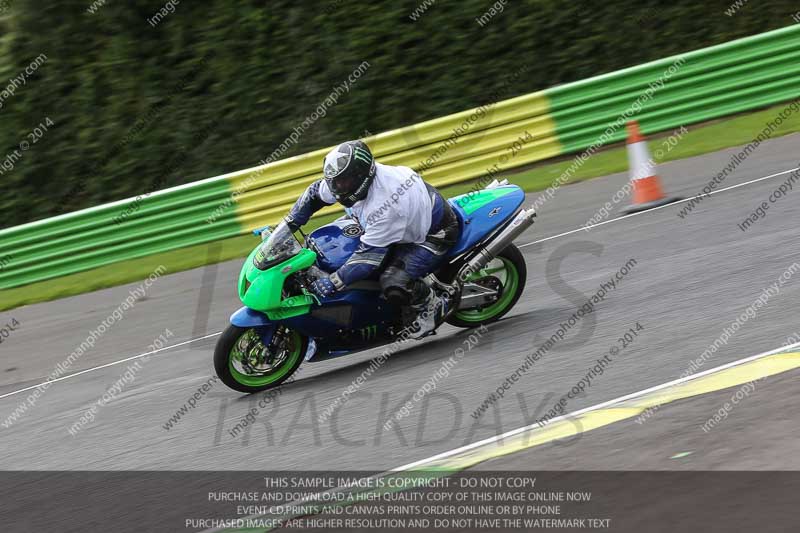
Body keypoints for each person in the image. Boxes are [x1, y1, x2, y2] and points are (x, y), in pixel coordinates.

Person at [285, 140, 460, 338]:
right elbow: (313, 195)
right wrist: (288, 225)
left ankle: (431, 305)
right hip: (407, 211)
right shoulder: (344, 183)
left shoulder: (385, 206)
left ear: (361, 175)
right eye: (335, 181)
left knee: (392, 281)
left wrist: (333, 281)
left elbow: (367, 259)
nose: (337, 187)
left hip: (434, 232)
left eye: (343, 181)